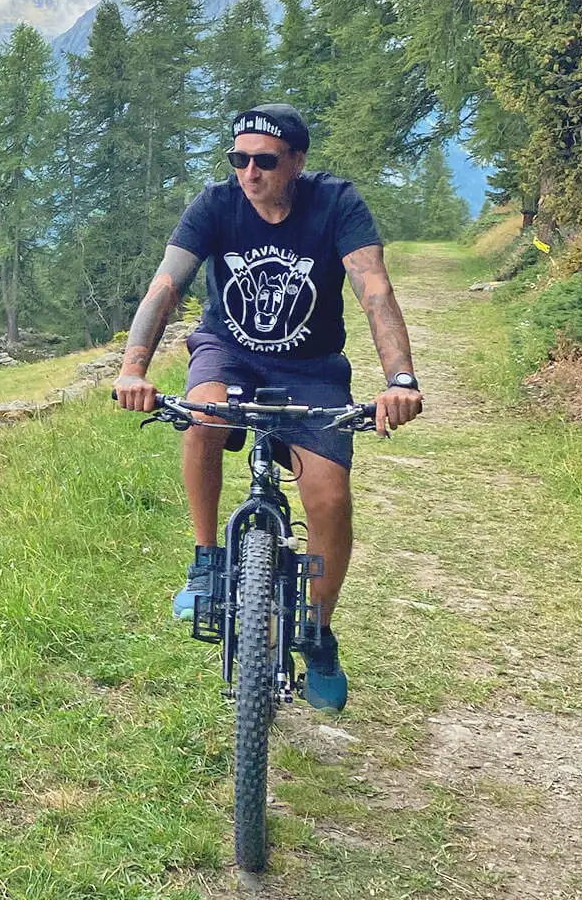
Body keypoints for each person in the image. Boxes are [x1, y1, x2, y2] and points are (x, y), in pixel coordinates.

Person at [112, 104, 424, 712]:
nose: (249, 173)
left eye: (265, 161)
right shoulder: (214, 205)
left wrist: (400, 379)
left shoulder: (335, 204)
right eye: (239, 160)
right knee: (202, 415)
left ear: (297, 164)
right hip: (227, 353)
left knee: (330, 499)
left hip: (311, 370)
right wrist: (133, 369)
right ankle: (206, 563)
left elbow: (373, 288)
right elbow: (166, 287)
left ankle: (317, 632)